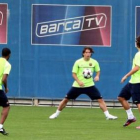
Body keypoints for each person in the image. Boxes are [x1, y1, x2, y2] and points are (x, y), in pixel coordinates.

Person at [49, 47, 118, 120]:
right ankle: (56, 114)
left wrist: (97, 76)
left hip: (90, 85)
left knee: (100, 99)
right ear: (83, 53)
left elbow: (98, 71)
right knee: (66, 99)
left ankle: (108, 115)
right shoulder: (78, 62)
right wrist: (78, 81)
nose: (88, 54)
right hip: (77, 86)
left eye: (89, 52)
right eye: (87, 52)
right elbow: (73, 74)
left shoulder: (94, 62)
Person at [118, 36, 140, 129]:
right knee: (121, 97)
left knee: (138, 102)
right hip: (133, 81)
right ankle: (131, 117)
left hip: (138, 82)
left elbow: (137, 67)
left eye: (136, 41)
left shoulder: (139, 54)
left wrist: (126, 76)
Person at [0, 48, 11, 135]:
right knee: (6, 106)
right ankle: (0, 127)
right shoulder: (7, 64)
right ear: (9, 55)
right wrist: (6, 87)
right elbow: (4, 79)